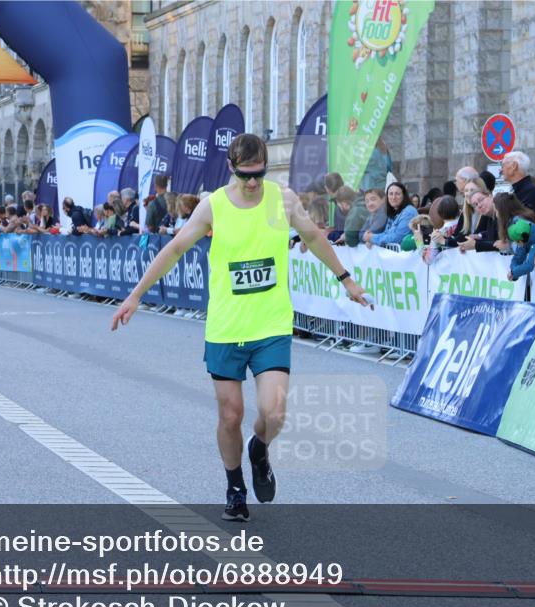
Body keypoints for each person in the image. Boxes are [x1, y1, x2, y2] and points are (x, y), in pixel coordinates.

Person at [111, 134, 369, 521]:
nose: (253, 182)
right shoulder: (213, 206)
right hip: (226, 327)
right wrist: (136, 295)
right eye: (246, 175)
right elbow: (176, 249)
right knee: (230, 415)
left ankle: (260, 449)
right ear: (232, 167)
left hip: (271, 323)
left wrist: (346, 280)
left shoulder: (281, 198)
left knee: (274, 412)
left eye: (259, 174)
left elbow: (314, 237)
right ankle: (234, 487)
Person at [494, 193, 535, 280]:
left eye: (496, 211)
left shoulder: (518, 226)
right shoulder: (518, 222)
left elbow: (529, 264)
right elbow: (520, 252)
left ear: (502, 211)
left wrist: (514, 272)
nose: (496, 214)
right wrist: (514, 272)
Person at [364, 182, 417, 248]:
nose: (393, 197)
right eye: (391, 194)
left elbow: (398, 238)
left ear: (404, 196)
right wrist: (372, 238)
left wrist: (372, 238)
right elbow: (387, 234)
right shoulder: (393, 211)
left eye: (397, 194)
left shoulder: (409, 211)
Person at [501, 151, 535, 219]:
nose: (500, 170)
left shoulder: (530, 191)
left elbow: (520, 221)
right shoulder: (519, 189)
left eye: (503, 165)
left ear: (514, 166)